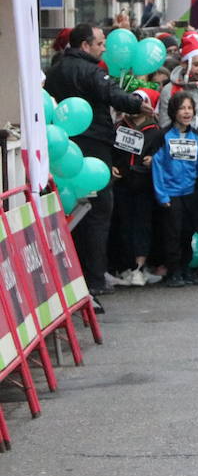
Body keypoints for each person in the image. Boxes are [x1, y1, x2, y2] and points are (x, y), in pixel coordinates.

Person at [45, 23, 154, 296]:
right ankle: (94, 279)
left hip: (63, 150)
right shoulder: (93, 71)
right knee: (99, 211)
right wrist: (136, 103)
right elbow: (111, 94)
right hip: (94, 147)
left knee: (70, 212)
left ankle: (70, 277)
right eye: (100, 43)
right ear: (85, 45)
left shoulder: (55, 69)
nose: (104, 48)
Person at [151, 91, 198, 288]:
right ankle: (173, 271)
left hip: (191, 192)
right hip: (171, 194)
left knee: (188, 232)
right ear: (174, 111)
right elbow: (157, 166)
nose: (187, 112)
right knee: (172, 233)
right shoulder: (163, 136)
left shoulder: (196, 135)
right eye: (182, 108)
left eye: (189, 108)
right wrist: (161, 195)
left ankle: (186, 267)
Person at [109, 88, 163, 286]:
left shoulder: (155, 131)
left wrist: (153, 160)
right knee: (123, 224)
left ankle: (140, 266)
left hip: (144, 184)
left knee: (143, 224)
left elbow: (162, 155)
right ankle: (126, 266)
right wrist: (111, 165)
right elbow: (110, 151)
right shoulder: (117, 127)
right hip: (122, 183)